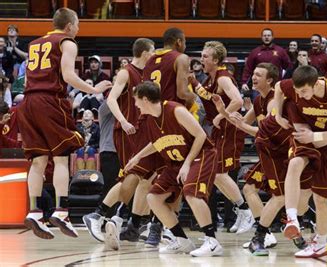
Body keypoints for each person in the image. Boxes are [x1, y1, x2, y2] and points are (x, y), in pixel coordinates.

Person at [17, 7, 111, 239]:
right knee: (60, 158)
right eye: (77, 24)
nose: (78, 28)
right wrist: (94, 89)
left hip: (28, 102)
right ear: (69, 26)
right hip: (50, 100)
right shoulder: (67, 42)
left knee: (38, 161)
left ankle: (35, 211)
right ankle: (61, 211)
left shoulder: (35, 43)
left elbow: (28, 77)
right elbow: (68, 76)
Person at [212, 63, 312, 255]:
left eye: (259, 75)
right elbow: (241, 123)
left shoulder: (275, 100)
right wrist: (223, 112)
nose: (254, 77)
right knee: (250, 188)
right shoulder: (258, 100)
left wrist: (244, 127)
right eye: (254, 74)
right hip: (267, 154)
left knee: (281, 197)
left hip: (281, 155)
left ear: (270, 80)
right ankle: (268, 234)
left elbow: (266, 131)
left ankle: (271, 235)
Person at [125, 81, 223, 257]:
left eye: (136, 101)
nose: (136, 105)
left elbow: (200, 135)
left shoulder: (175, 110)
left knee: (191, 192)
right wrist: (138, 157)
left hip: (201, 155)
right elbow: (158, 143)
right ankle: (182, 240)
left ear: (145, 99)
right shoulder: (150, 120)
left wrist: (187, 164)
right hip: (175, 162)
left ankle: (212, 241)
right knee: (153, 198)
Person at [83, 38, 161, 250]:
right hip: (127, 131)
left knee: (147, 177)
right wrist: (124, 121)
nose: (154, 54)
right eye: (152, 50)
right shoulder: (127, 72)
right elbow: (111, 99)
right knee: (134, 175)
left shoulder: (147, 73)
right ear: (145, 52)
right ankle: (100, 215)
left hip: (141, 130)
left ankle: (134, 223)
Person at [273, 65, 327, 258]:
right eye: (298, 91)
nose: (301, 95)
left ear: (316, 83)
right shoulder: (293, 88)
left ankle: (322, 243)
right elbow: (277, 87)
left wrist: (316, 136)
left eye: (304, 91)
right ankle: (292, 218)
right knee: (294, 163)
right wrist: (277, 114)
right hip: (304, 131)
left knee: (320, 198)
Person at [192, 41, 254, 234]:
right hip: (219, 129)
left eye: (205, 56)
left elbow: (237, 100)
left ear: (216, 60)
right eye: (202, 55)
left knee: (218, 173)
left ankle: (245, 211)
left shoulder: (223, 77)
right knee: (216, 176)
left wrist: (220, 115)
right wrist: (191, 80)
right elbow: (203, 94)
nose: (202, 59)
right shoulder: (209, 78)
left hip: (230, 127)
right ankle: (240, 209)